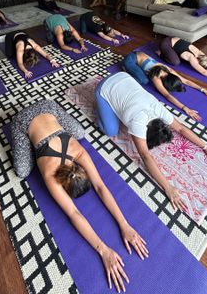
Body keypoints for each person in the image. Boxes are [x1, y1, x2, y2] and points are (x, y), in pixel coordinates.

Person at [11, 99, 149, 292]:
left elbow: (100, 187)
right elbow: (73, 213)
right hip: (24, 120)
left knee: (81, 133)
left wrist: (124, 224)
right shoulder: (50, 174)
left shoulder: (78, 152)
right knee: (22, 170)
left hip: (50, 108)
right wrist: (102, 249)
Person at [95, 72, 207, 211]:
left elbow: (180, 128)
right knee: (111, 131)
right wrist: (168, 187)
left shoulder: (160, 112)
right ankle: (100, 104)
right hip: (105, 86)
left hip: (125, 76)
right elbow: (145, 155)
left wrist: (206, 147)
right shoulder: (137, 123)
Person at [123, 51, 207, 121]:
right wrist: (185, 108)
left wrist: (204, 90)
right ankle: (125, 69)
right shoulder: (156, 77)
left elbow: (186, 81)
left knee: (145, 78)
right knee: (144, 80)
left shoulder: (169, 71)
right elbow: (167, 95)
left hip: (141, 54)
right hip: (131, 59)